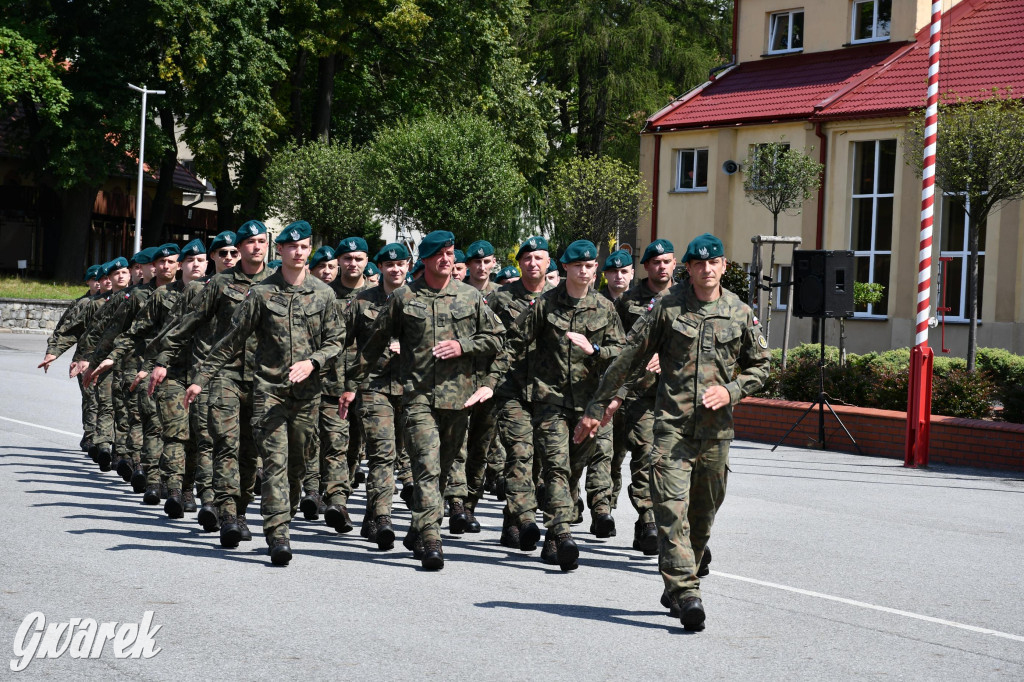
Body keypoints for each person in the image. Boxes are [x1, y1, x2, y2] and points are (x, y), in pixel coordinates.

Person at [574, 233, 770, 631]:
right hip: (671, 429)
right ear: (690, 269)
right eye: (698, 264)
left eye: (713, 263)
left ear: (724, 266)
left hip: (716, 434)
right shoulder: (667, 308)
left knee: (702, 515)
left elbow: (762, 367)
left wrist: (731, 390)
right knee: (671, 510)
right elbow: (628, 359)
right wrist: (598, 408)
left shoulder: (739, 311)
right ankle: (685, 592)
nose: (706, 269)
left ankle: (683, 577)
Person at [342, 230, 503, 570]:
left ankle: (418, 527)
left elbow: (496, 339)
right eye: (439, 254)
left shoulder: (471, 298)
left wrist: (465, 346)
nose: (447, 260)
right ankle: (432, 538)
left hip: (459, 399)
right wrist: (354, 384)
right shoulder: (403, 297)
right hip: (416, 396)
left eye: (451, 253)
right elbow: (374, 344)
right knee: (426, 468)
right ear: (426, 261)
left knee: (443, 469)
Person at [187, 221, 345, 566]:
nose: (299, 253)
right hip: (269, 392)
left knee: (296, 467)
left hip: (307, 394)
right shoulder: (261, 294)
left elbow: (336, 341)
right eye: (292, 248)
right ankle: (278, 535)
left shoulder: (324, 294)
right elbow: (232, 339)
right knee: (274, 464)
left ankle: (282, 516)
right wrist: (201, 377)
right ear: (281, 252)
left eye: (304, 247)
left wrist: (314, 363)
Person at [491, 239, 625, 570]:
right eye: (577, 265)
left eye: (590, 265)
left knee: (574, 467)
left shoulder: (606, 309)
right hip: (549, 400)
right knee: (555, 465)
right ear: (564, 268)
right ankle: (561, 532)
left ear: (596, 269)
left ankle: (555, 530)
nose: (584, 270)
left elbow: (621, 355)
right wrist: (488, 383)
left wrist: (595, 351)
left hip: (588, 404)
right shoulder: (545, 305)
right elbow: (514, 343)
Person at [148, 220, 274, 548]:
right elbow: (191, 322)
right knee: (225, 445)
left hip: (262, 379)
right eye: (247, 243)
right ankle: (227, 512)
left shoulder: (277, 283)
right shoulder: (219, 283)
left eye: (261, 241)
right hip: (224, 376)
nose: (254, 248)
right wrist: (161, 360)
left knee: (250, 452)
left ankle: (241, 510)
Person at [483, 236, 555, 551]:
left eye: (539, 257)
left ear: (549, 262)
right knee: (520, 452)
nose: (533, 263)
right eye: (527, 258)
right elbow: (484, 339)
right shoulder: (500, 298)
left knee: (539, 461)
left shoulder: (560, 299)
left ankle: (510, 521)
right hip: (510, 388)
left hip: (548, 391)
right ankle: (526, 518)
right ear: (519, 263)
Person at [345, 242, 413, 548]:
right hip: (373, 387)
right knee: (381, 455)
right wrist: (348, 384)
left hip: (412, 389)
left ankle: (371, 514)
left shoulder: (421, 299)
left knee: (408, 457)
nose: (395, 269)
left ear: (408, 266)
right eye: (389, 265)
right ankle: (384, 517)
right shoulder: (362, 302)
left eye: (401, 264)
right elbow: (342, 343)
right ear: (381, 268)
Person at [613, 238, 676, 555]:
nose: (661, 267)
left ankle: (657, 524)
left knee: (673, 463)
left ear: (674, 264)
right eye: (656, 262)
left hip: (678, 396)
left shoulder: (688, 299)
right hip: (640, 395)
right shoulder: (628, 302)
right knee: (645, 455)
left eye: (666, 261)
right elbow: (619, 349)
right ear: (647, 267)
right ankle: (649, 518)